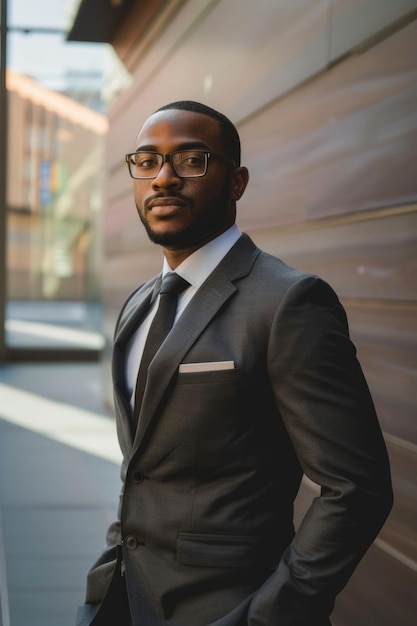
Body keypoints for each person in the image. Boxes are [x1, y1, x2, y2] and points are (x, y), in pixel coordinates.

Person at [76, 100, 393, 626]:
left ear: (237, 181)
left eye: (192, 160)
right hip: (122, 598)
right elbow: (144, 471)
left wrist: (270, 616)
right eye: (147, 161)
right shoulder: (138, 306)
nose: (164, 178)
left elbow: (356, 490)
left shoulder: (288, 302)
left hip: (229, 607)